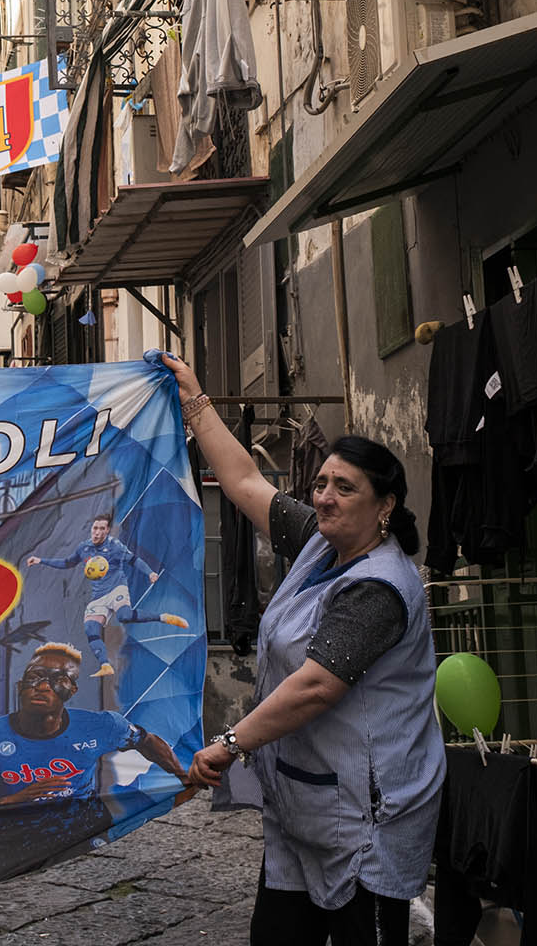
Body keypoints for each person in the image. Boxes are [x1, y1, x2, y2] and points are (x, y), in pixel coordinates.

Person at [161, 353, 443, 946]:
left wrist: (230, 743)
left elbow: (316, 687)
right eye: (321, 484)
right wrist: (194, 399)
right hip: (305, 804)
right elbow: (244, 483)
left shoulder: (379, 587)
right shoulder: (321, 543)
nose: (325, 498)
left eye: (345, 487)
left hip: (366, 813)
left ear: (384, 505)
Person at [0, 643, 187, 881]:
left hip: (85, 839)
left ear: (72, 690)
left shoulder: (100, 725)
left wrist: (183, 776)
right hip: (15, 854)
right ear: (20, 686)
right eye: (34, 677)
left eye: (58, 679)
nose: (43, 686)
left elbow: (147, 741)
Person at [25, 514, 188, 678]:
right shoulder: (84, 548)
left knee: (124, 616)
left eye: (101, 529)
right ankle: (105, 665)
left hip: (117, 588)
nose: (97, 532)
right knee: (90, 629)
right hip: (99, 596)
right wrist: (40, 560)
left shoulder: (115, 546)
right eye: (95, 528)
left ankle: (164, 617)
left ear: (107, 530)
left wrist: (150, 573)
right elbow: (67, 563)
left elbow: (134, 560)